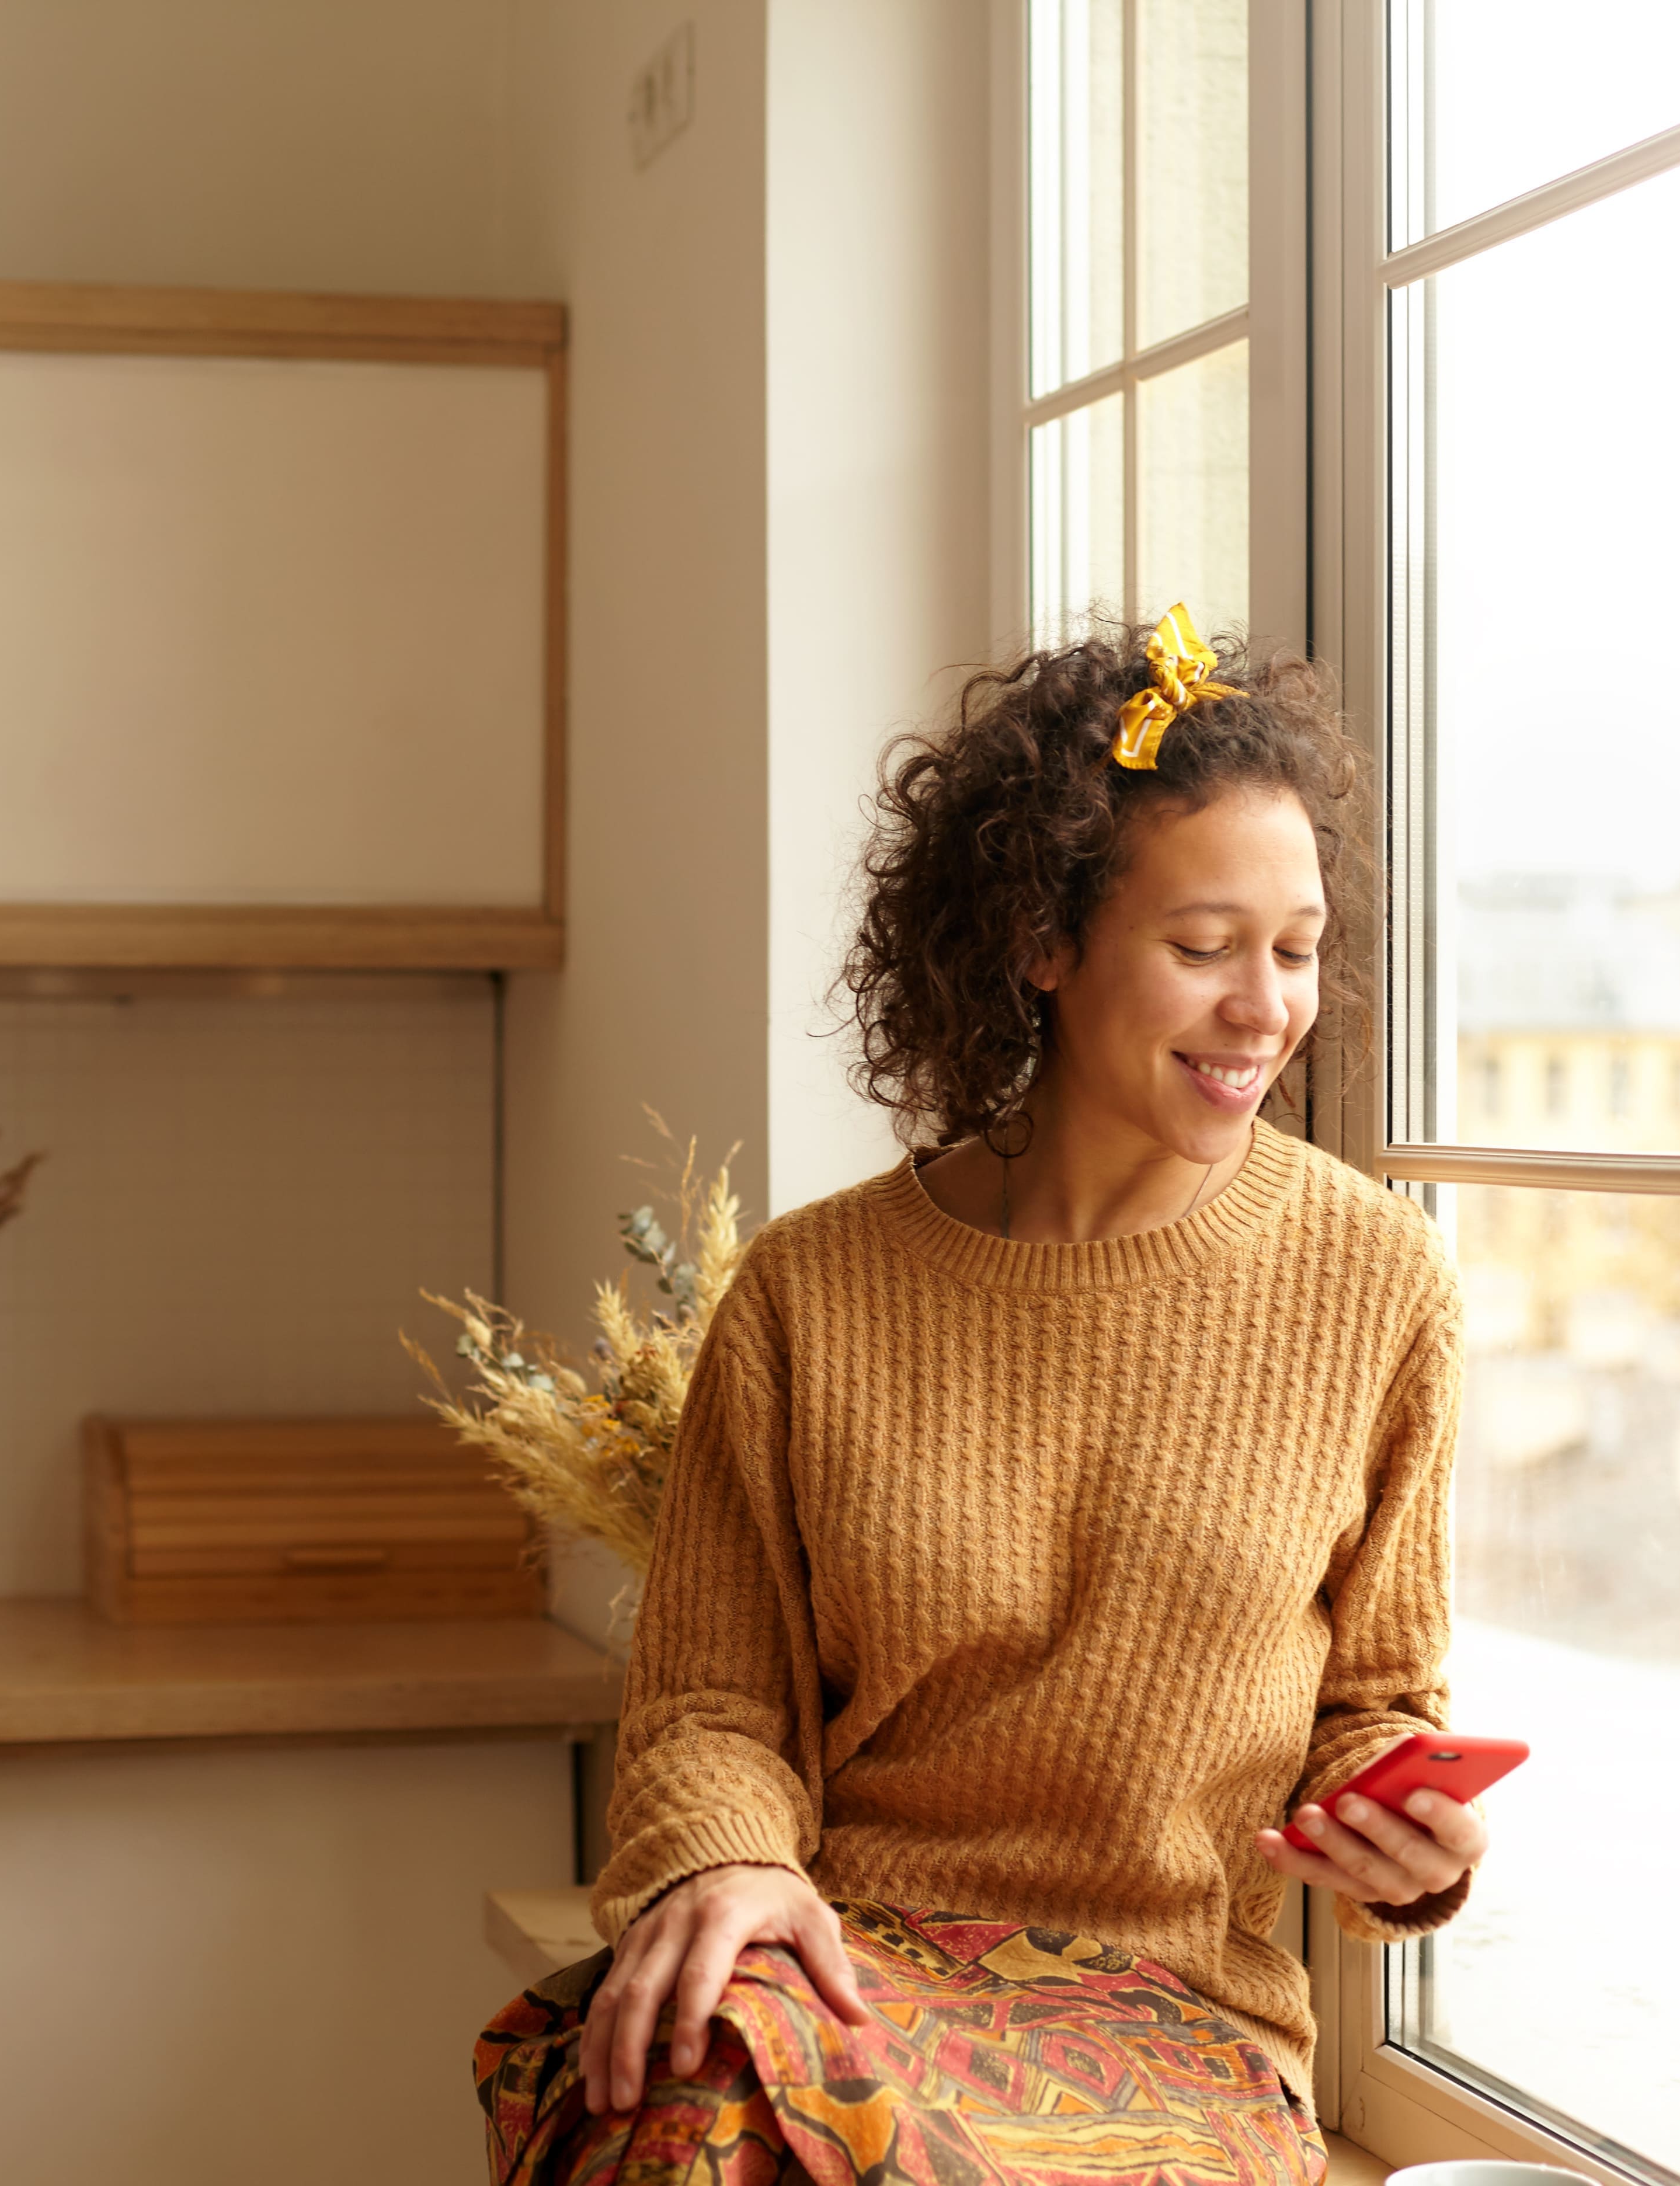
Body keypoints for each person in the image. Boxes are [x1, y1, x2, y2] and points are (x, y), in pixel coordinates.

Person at [474, 610, 1484, 2186]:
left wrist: (1396, 1829)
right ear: (1042, 942)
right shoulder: (811, 1294)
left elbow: (1374, 1706)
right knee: (677, 2097)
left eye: (1295, 952)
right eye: (1204, 948)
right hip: (842, 1966)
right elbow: (713, 1704)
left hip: (1174, 2019)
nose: (1265, 1010)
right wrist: (733, 1864)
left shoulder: (1373, 1286)